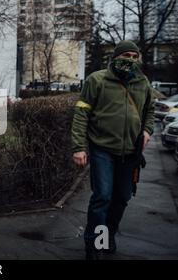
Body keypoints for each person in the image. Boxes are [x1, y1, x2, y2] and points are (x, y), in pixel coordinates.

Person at [71, 40, 155, 259]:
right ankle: (95, 244)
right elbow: (81, 114)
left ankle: (108, 234)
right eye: (126, 55)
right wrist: (79, 147)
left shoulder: (142, 82)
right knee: (103, 197)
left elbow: (150, 110)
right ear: (116, 56)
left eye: (135, 56)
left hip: (130, 152)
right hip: (102, 149)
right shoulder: (97, 80)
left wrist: (147, 130)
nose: (131, 60)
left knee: (122, 197)